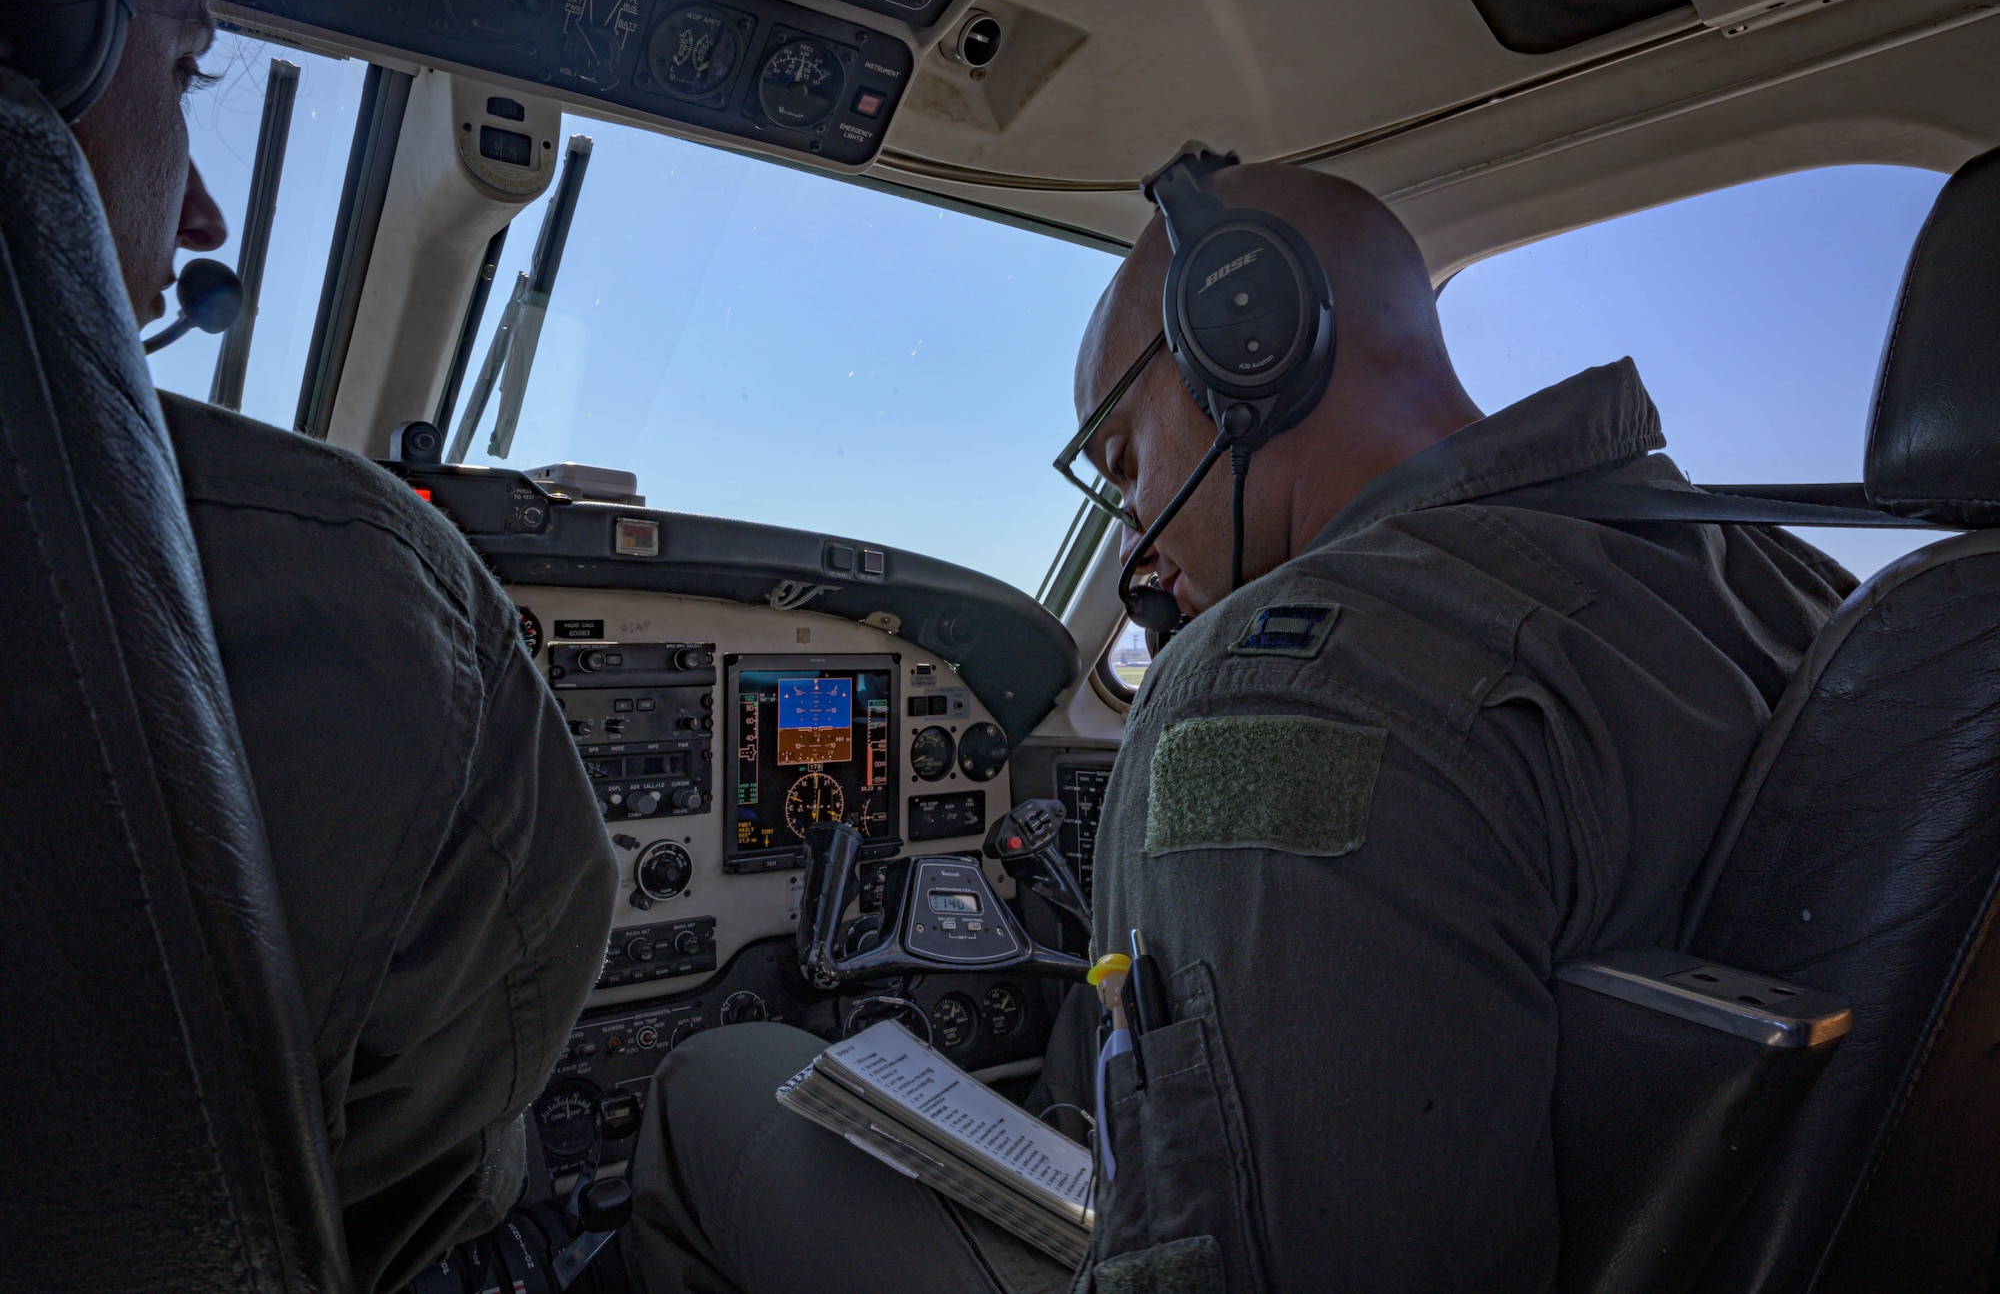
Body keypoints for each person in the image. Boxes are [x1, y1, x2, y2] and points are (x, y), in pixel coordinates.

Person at [619, 158, 1856, 1294]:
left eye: (1123, 459)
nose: (1133, 534)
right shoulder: (1781, 580)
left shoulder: (1288, 685)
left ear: (1244, 343)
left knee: (712, 1083)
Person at [63, 0, 618, 1290]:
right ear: (37, 27)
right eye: (188, 73)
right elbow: (437, 1171)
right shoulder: (367, 590)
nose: (200, 216)